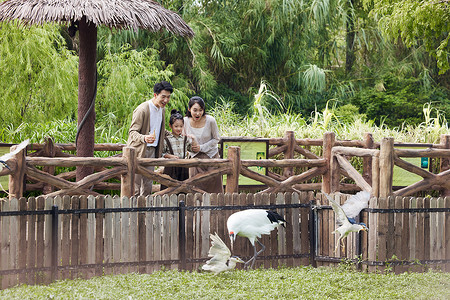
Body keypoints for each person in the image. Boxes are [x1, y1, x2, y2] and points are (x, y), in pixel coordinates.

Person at [127, 81, 173, 196]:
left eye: (168, 97)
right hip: (138, 151)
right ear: (155, 95)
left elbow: (160, 130)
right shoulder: (142, 109)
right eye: (163, 97)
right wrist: (144, 138)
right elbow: (132, 132)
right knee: (135, 184)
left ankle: (145, 211)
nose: (166, 100)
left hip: (152, 150)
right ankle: (133, 211)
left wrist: (175, 134)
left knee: (148, 184)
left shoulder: (161, 110)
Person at [184, 96, 224, 193]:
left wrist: (201, 147)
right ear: (189, 109)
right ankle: (196, 208)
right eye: (195, 110)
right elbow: (183, 139)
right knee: (194, 186)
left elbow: (216, 139)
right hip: (194, 159)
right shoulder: (185, 121)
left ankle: (216, 207)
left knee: (214, 186)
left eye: (200, 110)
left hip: (211, 157)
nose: (198, 113)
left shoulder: (210, 120)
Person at [161, 109, 194, 190]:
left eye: (181, 126)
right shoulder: (166, 139)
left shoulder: (185, 139)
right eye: (176, 126)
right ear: (170, 126)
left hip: (183, 168)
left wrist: (194, 140)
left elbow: (192, 150)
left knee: (183, 190)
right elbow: (161, 153)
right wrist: (169, 156)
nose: (179, 128)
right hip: (170, 168)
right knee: (169, 190)